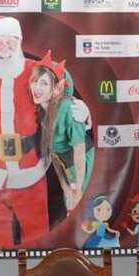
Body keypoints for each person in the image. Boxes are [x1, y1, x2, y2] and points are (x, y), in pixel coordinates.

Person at [0, 16, 89, 248]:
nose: (5, 49)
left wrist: (82, 110)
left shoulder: (35, 71)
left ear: (20, 41)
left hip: (30, 166)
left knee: (37, 234)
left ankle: (39, 273)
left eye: (11, 42)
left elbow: (63, 90)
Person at [28, 50, 94, 212]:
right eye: (35, 81)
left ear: (57, 88)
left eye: (44, 83)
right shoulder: (42, 111)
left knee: (81, 211)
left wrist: (78, 190)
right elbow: (54, 154)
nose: (36, 87)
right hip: (66, 167)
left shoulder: (70, 109)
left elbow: (79, 151)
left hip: (82, 165)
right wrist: (65, 187)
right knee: (69, 206)